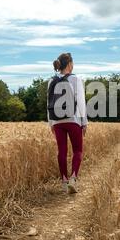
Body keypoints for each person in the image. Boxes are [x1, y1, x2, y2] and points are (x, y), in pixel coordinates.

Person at [47, 53, 88, 194]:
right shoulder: (76, 79)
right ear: (70, 64)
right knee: (78, 150)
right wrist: (84, 122)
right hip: (73, 120)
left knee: (62, 151)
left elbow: (49, 103)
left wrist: (51, 123)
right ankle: (73, 179)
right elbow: (81, 102)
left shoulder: (51, 80)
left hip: (57, 121)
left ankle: (64, 181)